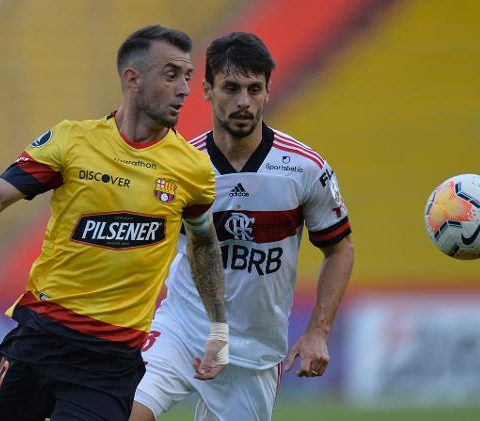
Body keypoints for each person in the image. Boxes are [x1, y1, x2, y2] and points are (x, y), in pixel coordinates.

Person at [0, 25, 228, 421]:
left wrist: (219, 326)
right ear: (133, 79)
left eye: (187, 77)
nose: (184, 88)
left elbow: (203, 242)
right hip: (39, 337)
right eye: (171, 75)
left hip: (109, 363)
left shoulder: (193, 169)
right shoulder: (72, 140)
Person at [130, 32, 354, 421]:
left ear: (268, 91)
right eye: (230, 88)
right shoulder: (180, 164)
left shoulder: (304, 168)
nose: (243, 101)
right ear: (206, 90)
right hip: (182, 331)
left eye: (254, 89)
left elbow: (340, 249)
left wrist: (318, 330)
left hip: (254, 354)